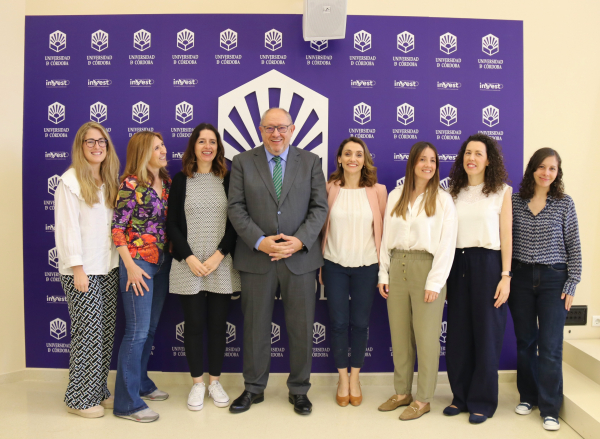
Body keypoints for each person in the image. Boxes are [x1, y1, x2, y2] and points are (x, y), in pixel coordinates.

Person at [227, 108, 328, 415]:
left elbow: (319, 207)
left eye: (282, 128)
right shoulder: (243, 162)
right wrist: (260, 241)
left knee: (300, 328)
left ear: (292, 129)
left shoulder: (310, 162)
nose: (276, 134)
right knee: (256, 328)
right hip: (257, 258)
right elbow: (236, 208)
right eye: (270, 128)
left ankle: (299, 390)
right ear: (260, 130)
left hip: (298, 259)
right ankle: (253, 389)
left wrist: (299, 241)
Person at [377, 142, 457, 420]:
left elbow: (447, 245)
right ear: (412, 163)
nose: (428, 165)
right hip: (397, 265)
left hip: (427, 268)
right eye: (422, 159)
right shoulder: (395, 195)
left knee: (426, 339)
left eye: (432, 161)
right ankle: (402, 392)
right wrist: (383, 274)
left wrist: (435, 282)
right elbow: (387, 238)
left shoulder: (444, 200)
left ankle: (423, 399)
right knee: (399, 336)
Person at [167, 123, 240, 411]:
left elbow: (236, 222)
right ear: (193, 147)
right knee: (195, 326)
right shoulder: (181, 180)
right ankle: (197, 384)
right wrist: (190, 258)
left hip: (221, 264)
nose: (207, 146)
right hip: (190, 265)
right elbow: (171, 224)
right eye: (201, 141)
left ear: (218, 148)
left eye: (212, 141)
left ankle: (214, 382)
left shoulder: (229, 179)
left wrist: (219, 255)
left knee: (218, 327)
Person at [508, 148, 581, 431]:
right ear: (532, 170)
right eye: (541, 167)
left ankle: (550, 407)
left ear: (557, 173)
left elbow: (574, 246)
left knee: (550, 347)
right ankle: (528, 396)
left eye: (552, 169)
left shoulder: (564, 203)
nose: (546, 173)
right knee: (525, 342)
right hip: (522, 279)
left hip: (554, 280)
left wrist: (572, 282)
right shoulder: (515, 201)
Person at [444, 133, 512, 424]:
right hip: (457, 264)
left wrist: (506, 275)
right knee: (458, 334)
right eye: (468, 153)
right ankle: (460, 396)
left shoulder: (501, 192)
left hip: (488, 264)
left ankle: (482, 400)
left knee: (486, 335)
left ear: (488, 160)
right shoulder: (451, 192)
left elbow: (507, 237)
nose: (472, 158)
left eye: (478, 154)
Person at [55, 122, 120, 418]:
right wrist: (77, 268)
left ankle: (97, 390)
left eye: (101, 142)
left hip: (108, 267)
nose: (97, 147)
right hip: (82, 270)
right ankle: (79, 398)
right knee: (88, 333)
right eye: (90, 142)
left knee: (104, 333)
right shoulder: (69, 181)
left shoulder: (109, 180)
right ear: (80, 146)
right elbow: (67, 229)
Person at [320, 137, 386, 407]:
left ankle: (355, 378)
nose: (352, 159)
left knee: (359, 324)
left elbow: (384, 232)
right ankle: (342, 379)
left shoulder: (378, 191)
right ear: (339, 158)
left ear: (365, 159)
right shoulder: (329, 188)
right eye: (347, 154)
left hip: (367, 266)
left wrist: (384, 270)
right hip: (334, 264)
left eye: (358, 154)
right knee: (337, 324)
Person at [111, 131, 172, 423]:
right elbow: (118, 229)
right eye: (156, 147)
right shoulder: (130, 185)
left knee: (149, 330)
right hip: (138, 264)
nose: (163, 151)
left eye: (162, 146)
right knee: (136, 331)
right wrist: (130, 265)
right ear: (143, 152)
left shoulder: (167, 183)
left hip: (161, 263)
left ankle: (141, 384)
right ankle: (126, 403)